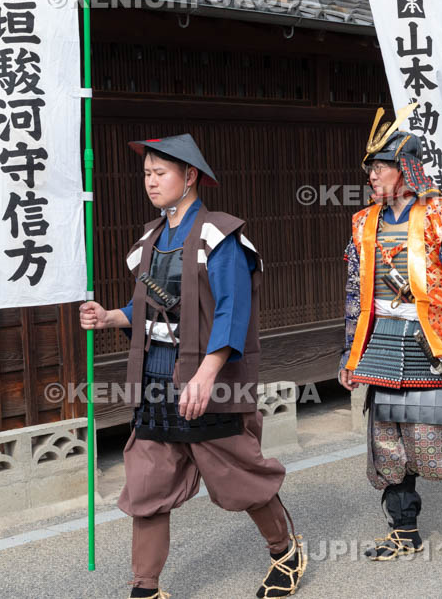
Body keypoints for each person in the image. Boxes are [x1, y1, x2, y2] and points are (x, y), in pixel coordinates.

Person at [79, 134, 305, 598]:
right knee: (147, 484)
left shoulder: (221, 236)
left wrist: (205, 375)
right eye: (146, 173)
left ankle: (285, 550)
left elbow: (231, 313)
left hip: (209, 381)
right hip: (155, 379)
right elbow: (142, 310)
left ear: (190, 177)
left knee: (238, 475)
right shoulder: (151, 238)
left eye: (160, 173)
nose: (150, 181)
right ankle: (145, 587)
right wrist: (108, 317)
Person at [338, 105, 442, 559]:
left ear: (405, 170)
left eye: (379, 169)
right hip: (380, 343)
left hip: (431, 342)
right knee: (387, 445)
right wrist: (348, 352)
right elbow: (352, 290)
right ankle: (404, 530)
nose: (371, 178)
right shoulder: (364, 222)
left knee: (434, 436)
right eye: (370, 170)